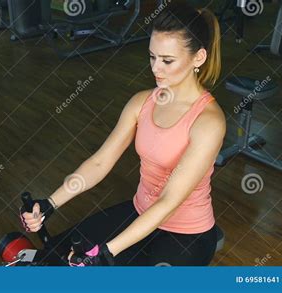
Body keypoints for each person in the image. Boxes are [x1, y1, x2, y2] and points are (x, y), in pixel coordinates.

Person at [21, 2, 226, 266]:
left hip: (186, 234)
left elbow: (168, 201)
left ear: (198, 57)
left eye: (167, 60)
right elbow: (100, 162)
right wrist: (50, 203)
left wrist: (105, 252)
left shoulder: (209, 121)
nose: (155, 68)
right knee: (55, 259)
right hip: (139, 212)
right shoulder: (142, 102)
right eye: (152, 57)